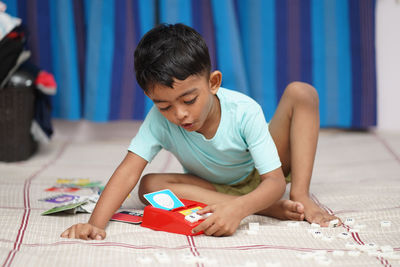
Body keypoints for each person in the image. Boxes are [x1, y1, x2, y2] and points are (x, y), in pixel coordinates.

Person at [61, 23, 339, 240]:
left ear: (213, 83)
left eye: (189, 100)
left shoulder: (244, 110)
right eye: (164, 105)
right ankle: (265, 206)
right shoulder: (158, 120)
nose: (179, 114)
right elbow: (128, 172)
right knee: (149, 188)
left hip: (261, 171)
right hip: (214, 186)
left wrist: (238, 211)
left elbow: (276, 183)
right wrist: (94, 224)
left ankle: (300, 195)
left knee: (301, 92)